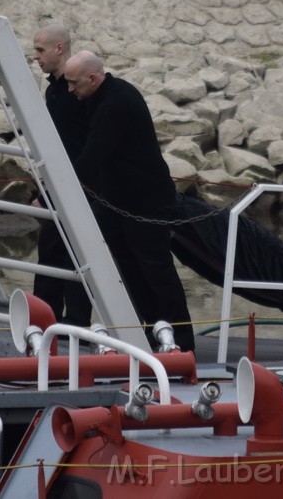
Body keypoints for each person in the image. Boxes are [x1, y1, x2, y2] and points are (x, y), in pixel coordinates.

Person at [63, 50, 195, 353]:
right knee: (126, 267)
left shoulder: (116, 102)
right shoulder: (100, 95)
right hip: (117, 200)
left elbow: (94, 154)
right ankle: (151, 333)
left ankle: (183, 343)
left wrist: (59, 184)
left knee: (157, 271)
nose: (70, 90)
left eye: (74, 83)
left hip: (145, 202)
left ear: (93, 78)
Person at [30, 24, 92, 326]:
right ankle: (43, 324)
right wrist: (41, 191)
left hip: (82, 188)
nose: (35, 56)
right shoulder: (53, 90)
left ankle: (76, 326)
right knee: (50, 256)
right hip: (59, 186)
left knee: (75, 260)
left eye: (40, 49)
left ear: (59, 48)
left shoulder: (78, 88)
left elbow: (82, 144)